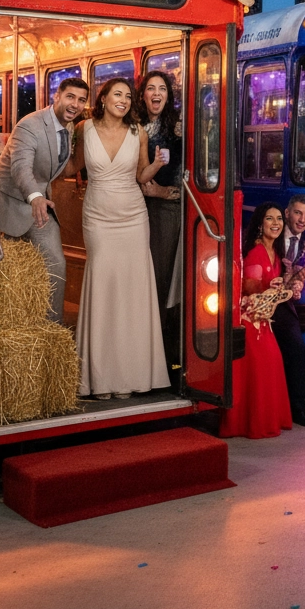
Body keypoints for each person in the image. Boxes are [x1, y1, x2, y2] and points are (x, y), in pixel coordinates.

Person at [69, 78, 169, 399]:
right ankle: (100, 378)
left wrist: (157, 164)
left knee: (132, 291)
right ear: (103, 98)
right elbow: (72, 166)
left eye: (127, 96)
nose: (123, 100)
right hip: (98, 217)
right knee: (103, 286)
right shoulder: (83, 128)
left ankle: (130, 376)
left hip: (133, 217)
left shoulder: (138, 131)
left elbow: (141, 175)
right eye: (117, 94)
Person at [0, 77, 90, 324]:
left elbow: (59, 168)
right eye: (70, 97)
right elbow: (20, 168)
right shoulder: (30, 124)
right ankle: (10, 326)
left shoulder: (69, 128)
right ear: (56, 96)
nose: (75, 104)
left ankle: (51, 327)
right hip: (10, 203)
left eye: (81, 100)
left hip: (40, 207)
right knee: (8, 275)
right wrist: (35, 196)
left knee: (55, 264)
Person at [220, 202, 293, 438]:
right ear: (260, 224)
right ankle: (253, 423)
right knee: (266, 364)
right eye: (270, 218)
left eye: (279, 218)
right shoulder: (256, 252)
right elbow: (250, 288)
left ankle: (264, 420)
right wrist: (269, 287)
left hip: (263, 319)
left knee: (272, 362)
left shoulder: (276, 253)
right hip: (250, 320)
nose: (276, 223)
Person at [137, 71, 183, 381]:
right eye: (151, 88)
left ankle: (165, 359)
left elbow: (188, 173)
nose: (156, 93)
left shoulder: (177, 127)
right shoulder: (133, 124)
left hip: (165, 210)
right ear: (142, 94)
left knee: (162, 281)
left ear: (168, 95)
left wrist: (165, 193)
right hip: (134, 207)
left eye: (162, 89)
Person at [273, 193, 305, 428]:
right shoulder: (272, 232)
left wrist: (299, 281)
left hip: (284, 303)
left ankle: (298, 408)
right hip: (257, 297)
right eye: (298, 213)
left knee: (298, 348)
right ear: (287, 212)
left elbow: (298, 280)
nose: (302, 220)